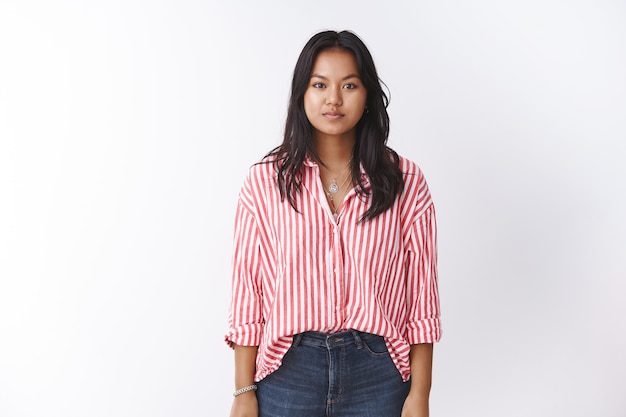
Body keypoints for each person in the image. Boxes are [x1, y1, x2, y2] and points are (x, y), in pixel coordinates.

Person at [225, 30, 441, 417]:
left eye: (349, 85)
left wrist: (419, 394)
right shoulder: (264, 183)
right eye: (320, 84)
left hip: (378, 372)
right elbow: (248, 293)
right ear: (302, 94)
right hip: (287, 371)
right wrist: (243, 391)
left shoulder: (405, 182)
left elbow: (420, 298)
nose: (334, 99)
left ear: (368, 95)